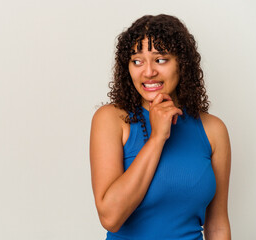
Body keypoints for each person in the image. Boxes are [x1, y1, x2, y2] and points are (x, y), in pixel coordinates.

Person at [89, 14, 231, 240]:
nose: (148, 72)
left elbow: (217, 224)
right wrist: (157, 138)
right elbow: (111, 218)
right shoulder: (111, 119)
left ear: (182, 64)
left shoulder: (213, 130)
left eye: (160, 59)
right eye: (137, 61)